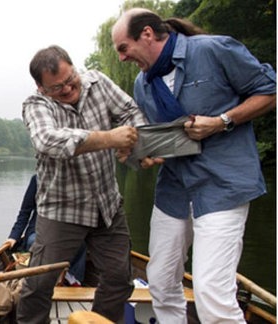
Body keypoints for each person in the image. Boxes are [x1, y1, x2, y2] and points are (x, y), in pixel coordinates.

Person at [111, 8, 276, 323]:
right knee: (158, 280)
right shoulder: (142, 85)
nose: (121, 58)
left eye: (123, 48)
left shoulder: (213, 49)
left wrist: (221, 121)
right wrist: (137, 154)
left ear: (146, 34)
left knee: (211, 292)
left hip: (222, 184)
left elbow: (270, 90)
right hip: (174, 188)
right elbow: (159, 139)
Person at [16, 45, 147, 323]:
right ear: (41, 88)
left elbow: (129, 112)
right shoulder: (36, 105)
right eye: (57, 87)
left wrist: (135, 147)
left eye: (70, 79)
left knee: (120, 279)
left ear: (74, 68)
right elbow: (48, 140)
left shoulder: (98, 82)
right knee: (39, 285)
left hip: (107, 206)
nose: (67, 89)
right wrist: (110, 139)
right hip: (62, 210)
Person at [4, 174, 87, 286]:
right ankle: (38, 279)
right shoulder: (37, 179)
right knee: (34, 242)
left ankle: (72, 278)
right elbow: (25, 212)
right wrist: (14, 236)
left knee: (81, 243)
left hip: (64, 231)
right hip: (38, 231)